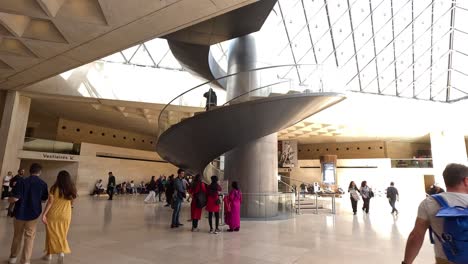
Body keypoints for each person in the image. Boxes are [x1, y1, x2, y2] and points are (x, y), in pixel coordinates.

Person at [403, 163, 468, 264]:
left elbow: (416, 236)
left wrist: (407, 262)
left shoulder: (429, 203)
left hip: (445, 260)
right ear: (466, 180)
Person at [8, 163, 48, 264]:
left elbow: (15, 198)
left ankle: (13, 258)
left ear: (30, 171)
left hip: (19, 214)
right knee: (29, 238)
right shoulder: (43, 184)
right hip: (33, 215)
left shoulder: (22, 182)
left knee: (17, 236)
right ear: (40, 172)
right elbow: (44, 200)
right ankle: (25, 261)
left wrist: (9, 199)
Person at [42, 170, 77, 263]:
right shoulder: (72, 188)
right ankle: (61, 253)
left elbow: (50, 202)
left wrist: (44, 214)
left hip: (53, 214)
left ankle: (49, 255)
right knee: (62, 234)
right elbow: (72, 202)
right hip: (66, 214)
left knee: (51, 234)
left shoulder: (53, 188)